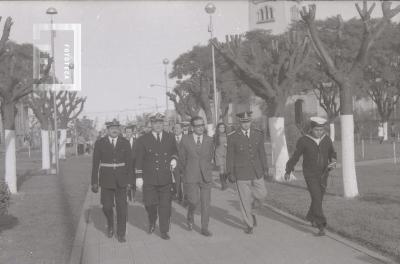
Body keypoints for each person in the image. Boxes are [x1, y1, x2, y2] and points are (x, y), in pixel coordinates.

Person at [284, 116, 337, 236]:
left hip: (324, 174)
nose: (319, 132)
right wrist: (288, 170)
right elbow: (295, 157)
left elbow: (332, 153)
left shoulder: (327, 139)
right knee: (317, 197)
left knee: (319, 198)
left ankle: (310, 216)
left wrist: (333, 163)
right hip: (310, 174)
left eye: (321, 130)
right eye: (317, 130)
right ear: (311, 129)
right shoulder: (303, 141)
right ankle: (321, 225)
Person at [135, 112, 179, 240]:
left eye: (160, 123)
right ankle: (152, 219)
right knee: (149, 204)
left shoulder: (170, 137)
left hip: (165, 178)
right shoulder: (143, 139)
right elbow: (139, 159)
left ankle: (164, 230)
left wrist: (174, 159)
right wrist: (138, 177)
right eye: (155, 123)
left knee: (165, 206)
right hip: (149, 179)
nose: (158, 125)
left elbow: (175, 151)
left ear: (163, 124)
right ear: (151, 124)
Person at [91, 119, 134, 243]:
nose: (114, 130)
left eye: (117, 128)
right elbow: (95, 164)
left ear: (119, 129)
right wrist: (94, 182)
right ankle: (110, 223)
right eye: (112, 128)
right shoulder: (100, 143)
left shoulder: (125, 143)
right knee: (107, 207)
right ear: (107, 129)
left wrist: (130, 181)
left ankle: (121, 234)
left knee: (122, 208)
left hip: (122, 180)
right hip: (106, 180)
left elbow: (129, 164)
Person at [226, 111, 269, 234]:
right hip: (241, 173)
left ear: (251, 121)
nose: (246, 124)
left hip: (257, 171)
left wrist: (265, 168)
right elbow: (230, 156)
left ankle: (253, 212)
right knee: (244, 200)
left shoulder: (258, 134)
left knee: (262, 195)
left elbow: (261, 152)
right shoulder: (232, 136)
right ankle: (249, 224)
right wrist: (230, 172)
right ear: (240, 122)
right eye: (243, 122)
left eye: (248, 122)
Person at [180, 116, 215, 236]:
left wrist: (206, 168)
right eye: (197, 125)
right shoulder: (185, 140)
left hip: (206, 176)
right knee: (193, 201)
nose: (200, 128)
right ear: (192, 127)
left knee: (206, 203)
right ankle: (190, 214)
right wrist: (187, 171)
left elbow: (210, 156)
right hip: (191, 175)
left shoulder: (209, 140)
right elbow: (182, 159)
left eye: (202, 125)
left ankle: (204, 227)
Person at [213, 122, 228, 190]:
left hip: (227, 154)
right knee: (221, 169)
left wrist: (228, 145)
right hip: (218, 154)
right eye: (220, 127)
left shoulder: (228, 135)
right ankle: (223, 185)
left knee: (226, 170)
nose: (222, 128)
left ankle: (224, 180)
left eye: (223, 127)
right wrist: (212, 157)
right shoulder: (215, 136)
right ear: (218, 128)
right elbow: (213, 146)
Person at [172, 122, 184, 202]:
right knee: (177, 181)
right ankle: (179, 195)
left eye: (177, 128)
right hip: (175, 164)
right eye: (174, 128)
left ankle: (186, 197)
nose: (176, 130)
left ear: (182, 129)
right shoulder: (170, 139)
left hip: (186, 164)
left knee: (186, 181)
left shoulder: (187, 138)